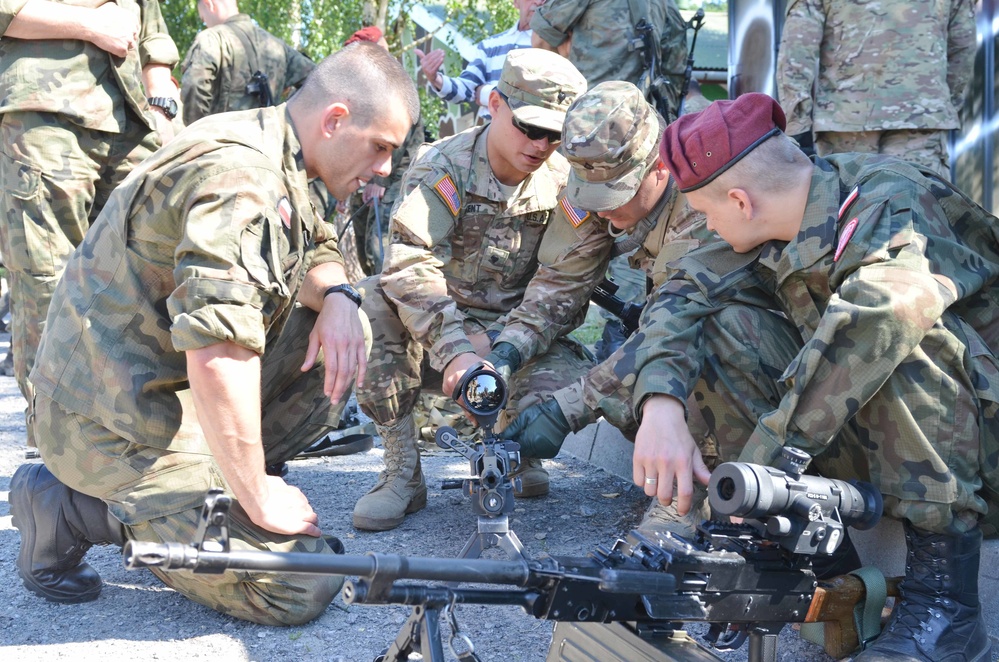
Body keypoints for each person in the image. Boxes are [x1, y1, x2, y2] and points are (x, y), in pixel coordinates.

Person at [9, 43, 419, 625]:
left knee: (346, 324)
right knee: (301, 584)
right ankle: (70, 507)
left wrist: (336, 294)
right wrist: (256, 495)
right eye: (380, 147)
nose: (383, 168)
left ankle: (215, 491)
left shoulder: (279, 149)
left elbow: (316, 244)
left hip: (156, 387)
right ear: (335, 120)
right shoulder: (242, 177)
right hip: (103, 418)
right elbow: (220, 349)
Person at [638, 92, 996, 661]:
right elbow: (682, 293)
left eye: (706, 212)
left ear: (739, 199)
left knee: (898, 332)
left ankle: (945, 607)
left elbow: (884, 313)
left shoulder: (887, 195)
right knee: (725, 325)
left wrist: (759, 469)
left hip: (981, 450)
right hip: (886, 456)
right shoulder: (773, 217)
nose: (705, 226)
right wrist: (659, 401)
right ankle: (822, 574)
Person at [500, 81, 807, 542]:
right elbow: (562, 281)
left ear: (659, 169)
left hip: (782, 376)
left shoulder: (705, 206)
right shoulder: (607, 199)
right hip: (685, 344)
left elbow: (674, 324)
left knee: (704, 330)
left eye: (613, 195)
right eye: (592, 194)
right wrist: (507, 351)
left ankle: (692, 503)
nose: (602, 212)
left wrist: (567, 410)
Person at [353, 49, 597, 531]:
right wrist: (459, 348)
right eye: (531, 127)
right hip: (436, 336)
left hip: (519, 339)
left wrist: (503, 344)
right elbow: (407, 261)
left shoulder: (568, 184)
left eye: (556, 134)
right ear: (496, 104)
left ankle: (513, 451)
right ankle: (403, 471)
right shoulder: (444, 167)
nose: (542, 144)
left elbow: (564, 287)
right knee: (367, 304)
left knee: (565, 389)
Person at [0, 0, 180, 447]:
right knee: (48, 280)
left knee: (149, 272)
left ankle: (137, 433)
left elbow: (152, 31)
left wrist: (163, 101)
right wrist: (91, 25)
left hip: (131, 117)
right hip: (45, 113)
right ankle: (60, 443)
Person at [776, 0, 976, 179]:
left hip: (845, 125)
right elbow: (962, 46)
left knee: (850, 213)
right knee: (918, 212)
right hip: (920, 123)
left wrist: (797, 128)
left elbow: (797, 50)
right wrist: (938, 103)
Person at [342, 25, 426, 277]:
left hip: (393, 181)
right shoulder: (361, 89)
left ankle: (386, 309)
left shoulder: (397, 86)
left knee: (379, 252)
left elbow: (401, 140)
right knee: (364, 253)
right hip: (363, 182)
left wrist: (380, 180)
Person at [531, 0, 688, 117]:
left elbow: (540, 41)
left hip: (582, 120)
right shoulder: (667, 4)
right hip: (637, 124)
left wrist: (564, 53)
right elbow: (673, 69)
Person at [180, 0, 316, 126]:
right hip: (268, 145)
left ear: (209, 4)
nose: (205, 24)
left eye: (203, 18)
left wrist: (197, 133)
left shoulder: (212, 38)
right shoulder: (277, 46)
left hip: (224, 144)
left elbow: (194, 84)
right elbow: (317, 79)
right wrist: (287, 114)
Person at [415, 0, 541, 121]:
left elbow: (535, 98)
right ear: (515, 2)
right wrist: (435, 79)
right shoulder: (490, 45)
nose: (539, 1)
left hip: (529, 135)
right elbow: (466, 89)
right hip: (488, 132)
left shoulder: (550, 47)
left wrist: (484, 93)